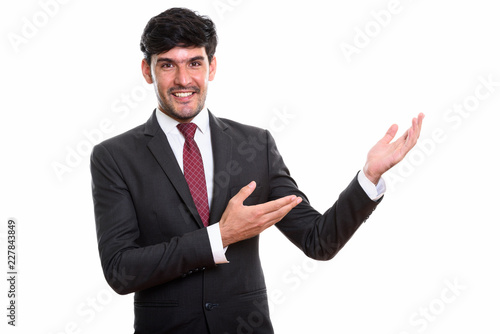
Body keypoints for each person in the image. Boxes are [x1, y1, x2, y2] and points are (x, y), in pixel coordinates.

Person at [90, 7, 424, 334]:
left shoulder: (255, 145)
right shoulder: (114, 157)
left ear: (212, 66)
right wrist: (220, 237)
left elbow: (318, 240)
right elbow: (121, 271)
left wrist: (369, 177)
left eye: (195, 62)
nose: (183, 79)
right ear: (148, 71)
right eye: (167, 65)